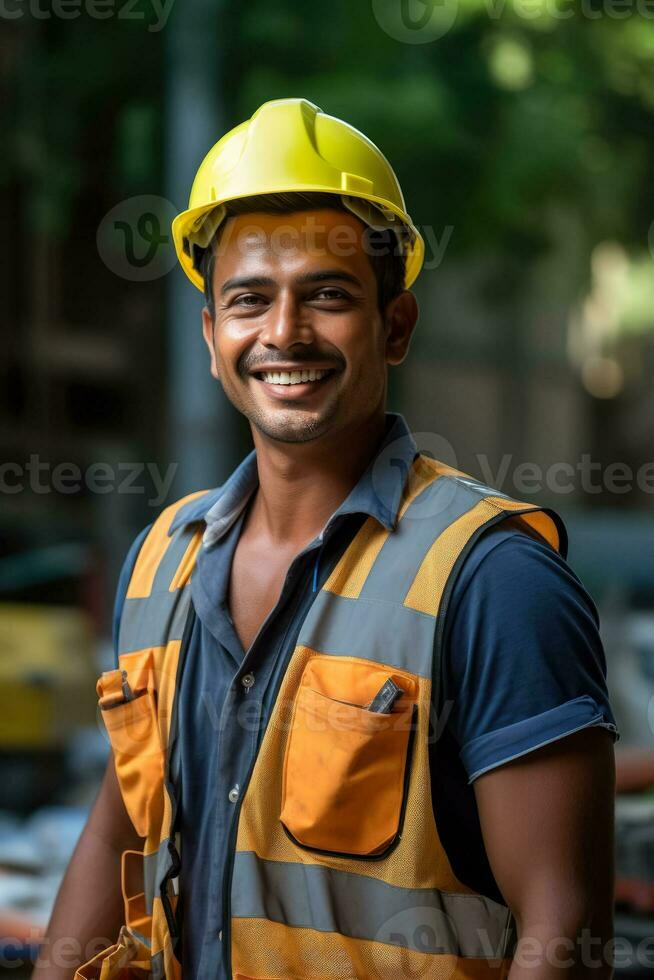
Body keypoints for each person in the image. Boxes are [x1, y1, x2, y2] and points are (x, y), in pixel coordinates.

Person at [34, 98, 619, 980]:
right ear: (211, 335)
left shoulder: (493, 579)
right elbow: (119, 825)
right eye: (249, 300)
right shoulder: (160, 560)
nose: (284, 333)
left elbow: (563, 925)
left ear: (396, 326)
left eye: (328, 296)